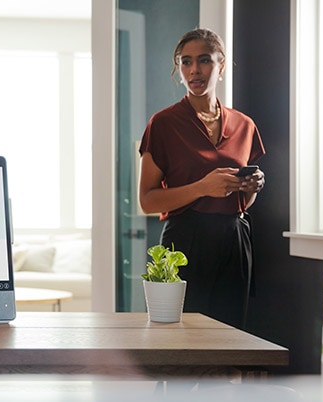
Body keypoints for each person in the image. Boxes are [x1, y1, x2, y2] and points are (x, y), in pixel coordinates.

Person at [138, 28, 266, 329]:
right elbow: (147, 201)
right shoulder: (163, 123)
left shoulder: (244, 125)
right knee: (181, 336)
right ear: (178, 69)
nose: (194, 70)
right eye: (186, 62)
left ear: (221, 66)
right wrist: (202, 188)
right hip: (185, 240)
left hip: (234, 238)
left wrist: (252, 187)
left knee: (231, 336)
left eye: (204, 60)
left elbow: (243, 201)